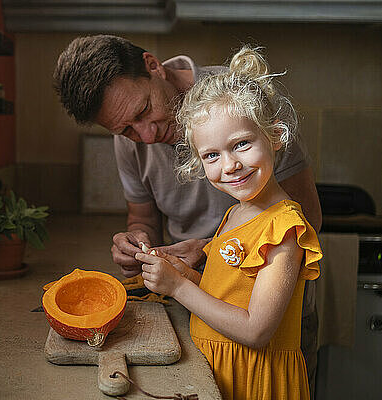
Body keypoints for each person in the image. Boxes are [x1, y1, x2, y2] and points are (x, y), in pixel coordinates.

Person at [53, 34, 321, 393]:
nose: (145, 136)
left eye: (144, 111)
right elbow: (143, 217)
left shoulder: (247, 101)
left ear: (153, 67)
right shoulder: (131, 139)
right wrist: (138, 240)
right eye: (126, 131)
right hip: (200, 312)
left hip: (268, 337)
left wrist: (205, 254)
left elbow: (305, 221)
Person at [135, 45, 322, 400]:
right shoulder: (238, 212)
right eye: (211, 155)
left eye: (241, 144)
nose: (230, 165)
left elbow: (256, 330)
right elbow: (227, 294)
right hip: (222, 373)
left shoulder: (284, 230)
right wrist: (182, 273)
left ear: (276, 136)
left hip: (257, 382)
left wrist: (177, 287)